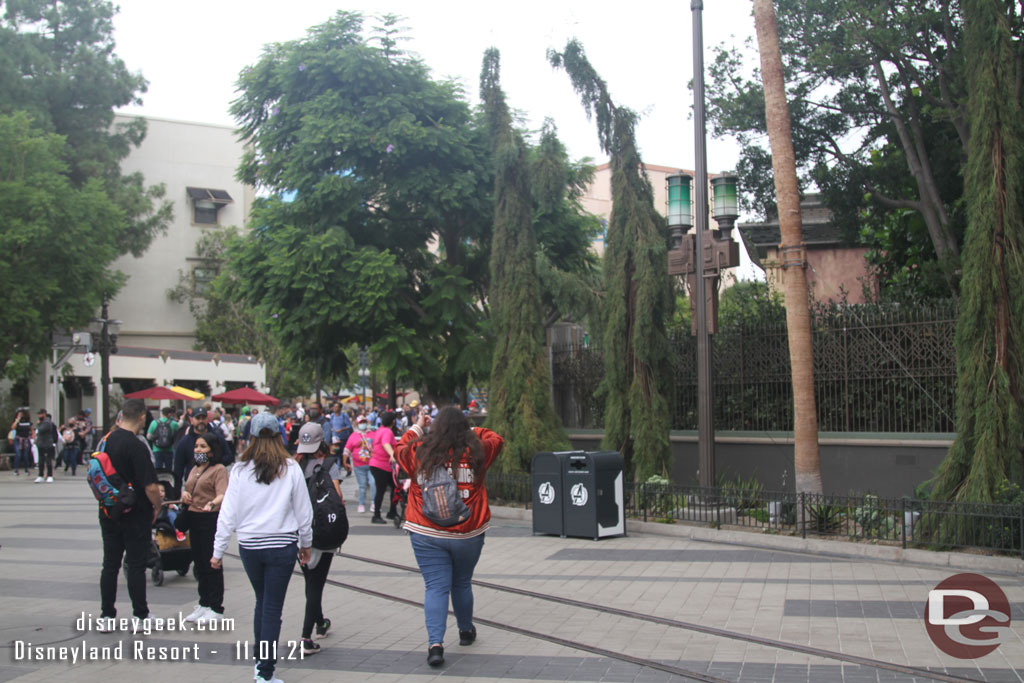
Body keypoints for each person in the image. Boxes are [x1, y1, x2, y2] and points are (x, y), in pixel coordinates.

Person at [395, 406, 504, 667]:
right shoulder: (478, 451)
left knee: (435, 587)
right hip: (468, 531)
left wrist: (418, 426)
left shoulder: (419, 452)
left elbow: (400, 447)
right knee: (462, 582)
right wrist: (469, 430)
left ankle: (435, 645)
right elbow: (496, 439)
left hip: (426, 531)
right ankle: (466, 631)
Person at [213, 411, 312, 683]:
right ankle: (265, 672)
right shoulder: (290, 467)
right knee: (271, 608)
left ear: (251, 437)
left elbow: (228, 513)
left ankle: (260, 664)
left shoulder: (239, 470)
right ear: (280, 436)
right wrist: (306, 543)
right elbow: (304, 512)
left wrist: (218, 550)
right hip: (282, 544)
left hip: (250, 545)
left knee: (262, 601)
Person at [96, 398, 164, 630]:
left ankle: (106, 615)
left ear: (121, 415)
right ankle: (141, 616)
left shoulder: (105, 441)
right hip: (135, 513)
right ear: (142, 417)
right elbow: (151, 487)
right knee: (135, 564)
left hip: (109, 511)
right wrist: (158, 505)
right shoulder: (136, 446)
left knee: (110, 564)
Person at [294, 423, 344, 655]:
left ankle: (320, 622)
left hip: (297, 531)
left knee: (310, 581)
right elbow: (338, 496)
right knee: (316, 583)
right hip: (322, 531)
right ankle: (306, 637)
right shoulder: (329, 464)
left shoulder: (295, 465)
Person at [181, 433, 229, 625]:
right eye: (197, 446)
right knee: (199, 562)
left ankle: (216, 606)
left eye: (203, 447)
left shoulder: (219, 470)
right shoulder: (194, 469)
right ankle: (204, 602)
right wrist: (184, 493)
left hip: (209, 518)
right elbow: (188, 487)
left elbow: (222, 494)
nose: (198, 450)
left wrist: (212, 503)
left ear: (212, 450)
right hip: (194, 516)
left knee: (212, 562)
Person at [172, 408, 227, 495]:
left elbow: (228, 456)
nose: (201, 421)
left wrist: (213, 464)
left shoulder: (217, 437)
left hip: (213, 487)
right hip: (192, 487)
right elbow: (178, 468)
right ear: (192, 420)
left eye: (203, 418)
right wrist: (176, 493)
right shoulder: (184, 441)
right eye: (198, 418)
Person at [369, 412, 398, 524]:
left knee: (395, 487)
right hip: (381, 465)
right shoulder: (387, 431)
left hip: (378, 465)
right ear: (394, 421)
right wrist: (392, 454)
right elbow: (385, 443)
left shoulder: (380, 430)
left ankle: (392, 511)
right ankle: (377, 515)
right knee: (383, 490)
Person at [343, 416, 375, 513]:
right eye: (361, 422)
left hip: (372, 464)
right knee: (362, 485)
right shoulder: (353, 436)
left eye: (364, 422)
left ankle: (374, 502)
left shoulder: (373, 434)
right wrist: (345, 462)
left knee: (373, 483)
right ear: (357, 424)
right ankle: (361, 503)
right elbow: (347, 450)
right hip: (358, 465)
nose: (363, 424)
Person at [147, 406, 179, 471]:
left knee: (158, 468)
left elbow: (148, 436)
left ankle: (159, 480)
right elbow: (179, 428)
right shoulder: (173, 424)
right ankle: (169, 480)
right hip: (169, 449)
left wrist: (155, 439)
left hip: (157, 449)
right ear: (169, 414)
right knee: (169, 469)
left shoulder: (154, 422)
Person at [34, 409, 58, 483]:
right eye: (38, 414)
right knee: (41, 460)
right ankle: (40, 475)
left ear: (44, 414)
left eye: (40, 414)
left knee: (48, 460)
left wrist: (38, 424)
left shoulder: (47, 422)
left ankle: (50, 475)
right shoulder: (42, 422)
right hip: (40, 443)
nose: (39, 416)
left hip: (47, 443)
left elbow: (41, 429)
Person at [11, 409, 33, 476]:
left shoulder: (28, 422)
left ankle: (26, 469)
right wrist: (17, 420)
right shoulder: (17, 422)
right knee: (18, 454)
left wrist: (33, 437)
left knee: (26, 455)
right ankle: (16, 470)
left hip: (26, 439)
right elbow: (12, 427)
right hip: (18, 439)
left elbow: (32, 430)